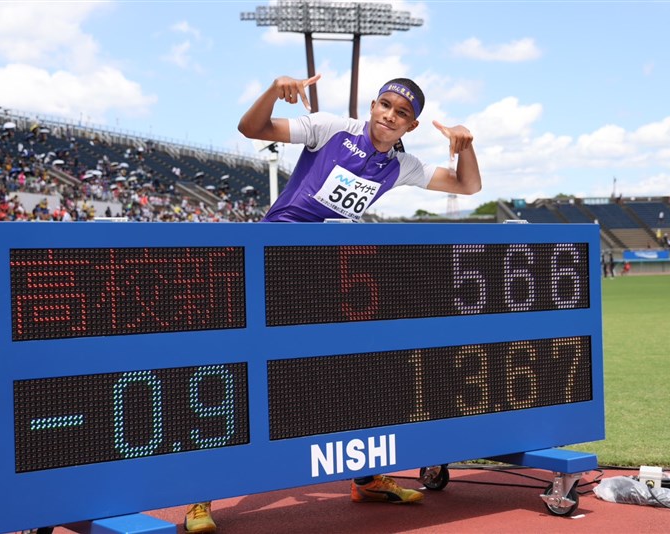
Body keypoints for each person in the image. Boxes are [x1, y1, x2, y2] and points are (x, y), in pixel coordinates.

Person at [182, 74, 482, 532]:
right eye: (385, 105)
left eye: (401, 113)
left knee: (346, 373)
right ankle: (197, 494)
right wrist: (272, 90)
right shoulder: (329, 128)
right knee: (246, 378)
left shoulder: (402, 166)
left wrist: (464, 145)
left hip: (325, 273)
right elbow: (251, 129)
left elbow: (468, 187)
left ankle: (365, 479)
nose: (389, 115)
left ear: (412, 125)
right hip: (274, 260)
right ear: (373, 105)